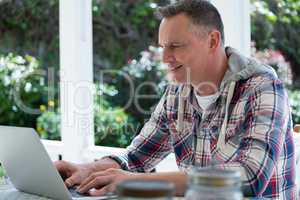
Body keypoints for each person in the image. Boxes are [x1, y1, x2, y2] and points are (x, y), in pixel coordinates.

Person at [55, 0, 297, 198]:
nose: (165, 58)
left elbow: (250, 177)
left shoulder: (263, 87)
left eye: (175, 46)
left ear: (212, 41)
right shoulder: (178, 91)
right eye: (162, 47)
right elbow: (137, 156)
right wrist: (88, 169)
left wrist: (138, 182)